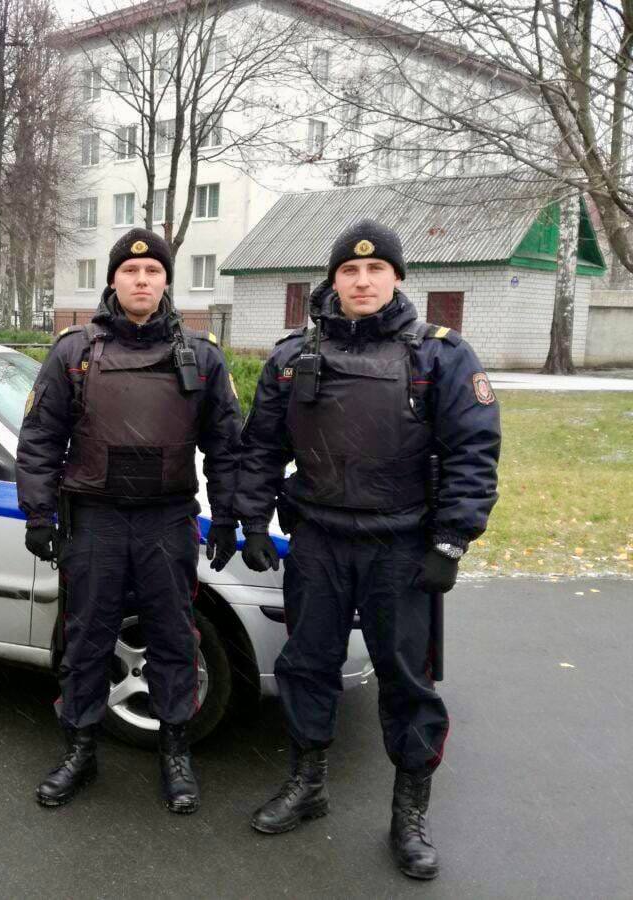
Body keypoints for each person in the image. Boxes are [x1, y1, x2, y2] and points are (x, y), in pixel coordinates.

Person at [237, 219, 500, 879]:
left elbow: (473, 454)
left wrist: (451, 541)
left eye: (375, 269)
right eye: (349, 271)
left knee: (408, 683)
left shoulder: (440, 355)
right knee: (306, 667)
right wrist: (252, 521)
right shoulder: (294, 355)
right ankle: (308, 785)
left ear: (397, 278)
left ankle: (408, 815)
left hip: (401, 548)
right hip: (318, 543)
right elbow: (262, 446)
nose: (362, 280)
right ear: (334, 279)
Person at [16, 227, 242, 814]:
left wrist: (227, 518)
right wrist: (38, 513)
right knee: (86, 638)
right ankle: (80, 750)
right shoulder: (75, 352)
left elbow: (227, 446)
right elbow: (40, 439)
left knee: (173, 639)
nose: (142, 280)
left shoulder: (201, 355)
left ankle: (175, 751)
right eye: (130, 271)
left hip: (167, 520)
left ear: (166, 281)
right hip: (95, 521)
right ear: (113, 279)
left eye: (153, 271)